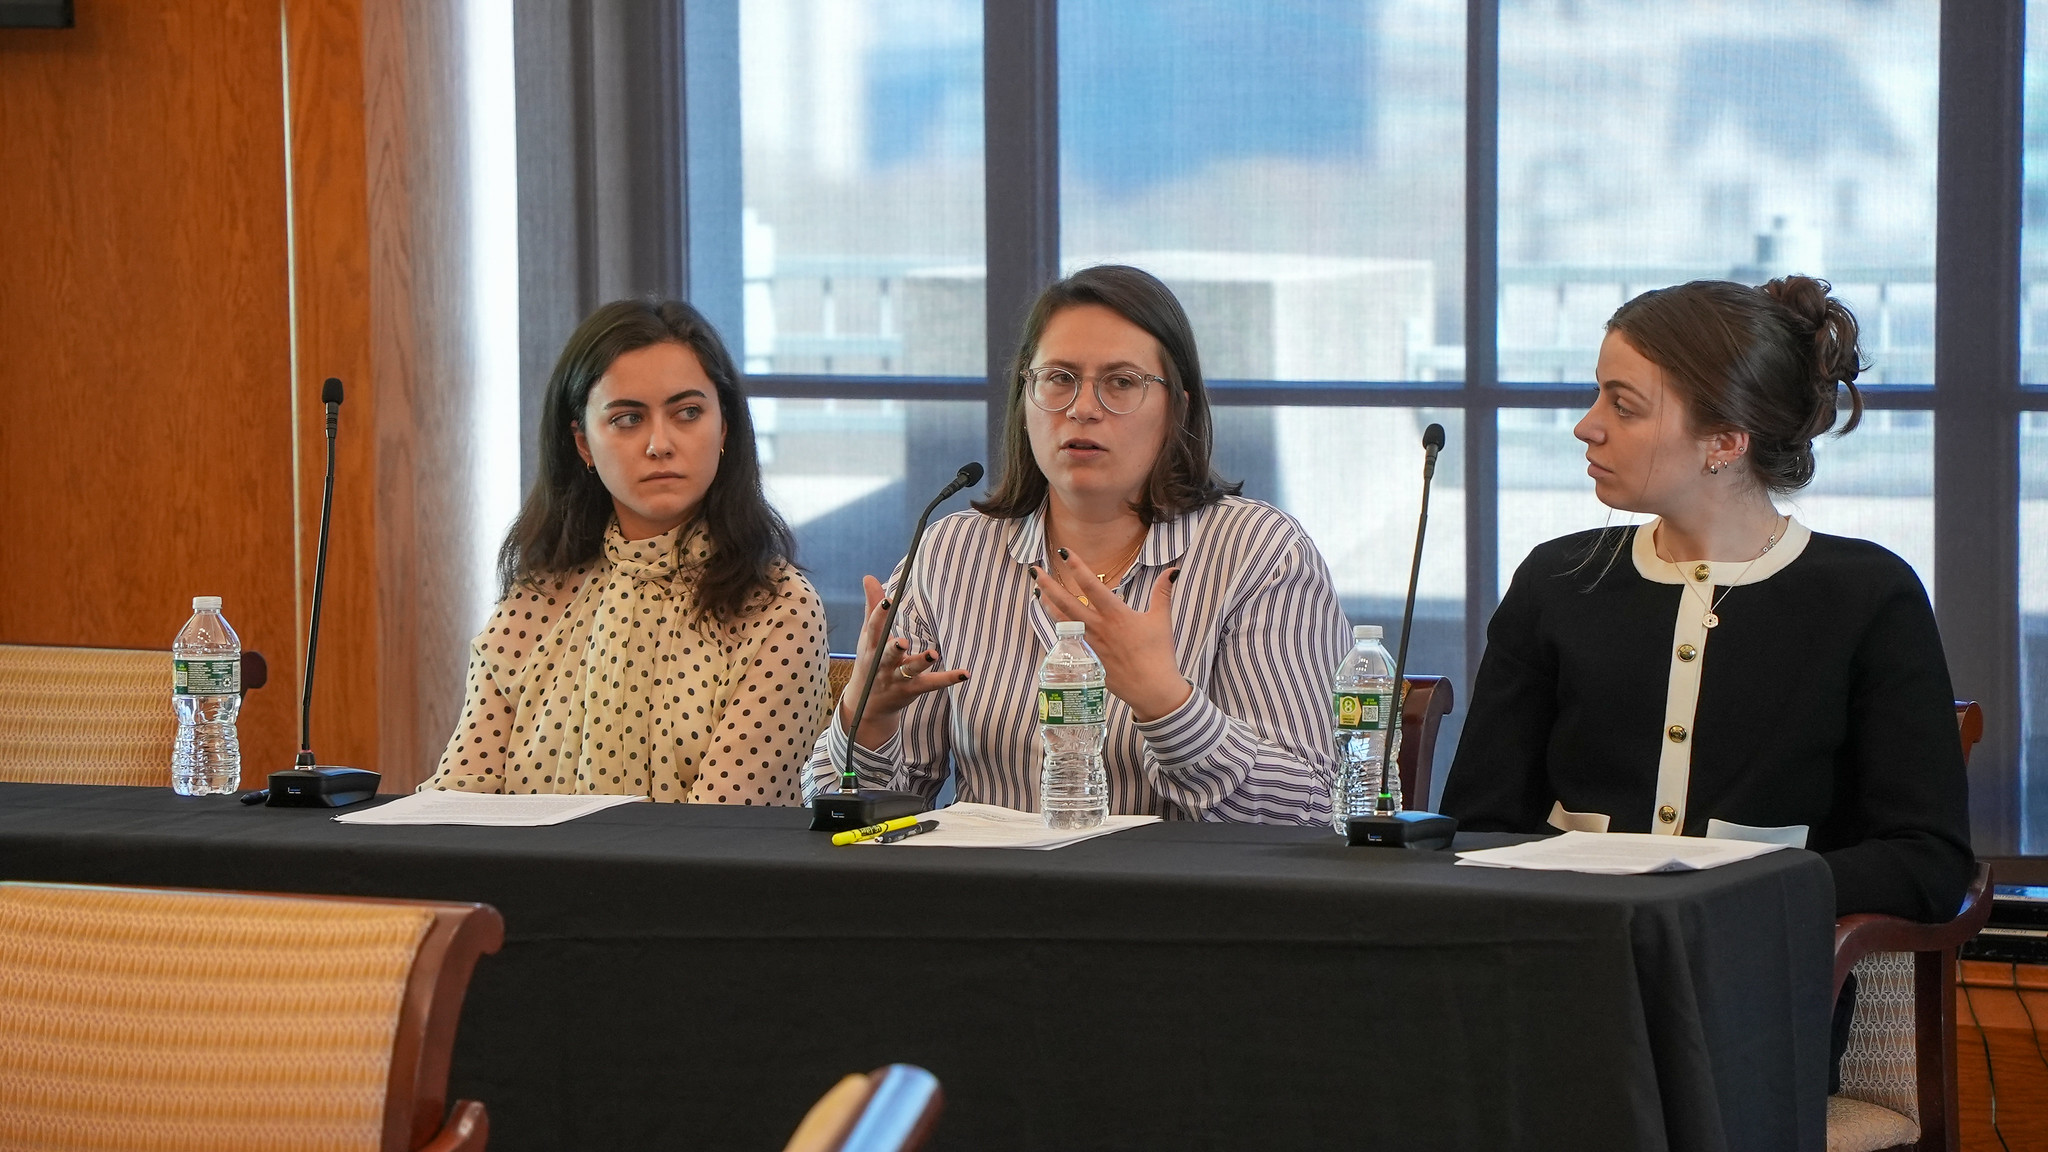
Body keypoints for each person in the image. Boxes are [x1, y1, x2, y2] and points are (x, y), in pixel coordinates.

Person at [1440, 277, 1972, 924]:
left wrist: (1737, 890)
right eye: (1596, 397)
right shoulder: (1556, 579)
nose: (1586, 427)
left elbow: (1928, 864)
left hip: (1758, 987)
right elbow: (1474, 827)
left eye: (1623, 406)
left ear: (1724, 441)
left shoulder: (1868, 595)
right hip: (1559, 967)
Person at [802, 265, 1352, 823]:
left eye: (1121, 382)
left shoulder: (1261, 554)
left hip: (1182, 904)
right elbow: (841, 813)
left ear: (1177, 408)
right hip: (993, 900)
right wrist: (865, 722)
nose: (1083, 406)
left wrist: (1169, 705)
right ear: (1026, 398)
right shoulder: (950, 555)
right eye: (1059, 378)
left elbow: (1309, 810)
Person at [424, 298, 829, 803]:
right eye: (627, 419)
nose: (660, 443)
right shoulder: (536, 600)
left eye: (687, 413)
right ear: (583, 444)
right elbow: (456, 802)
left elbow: (724, 837)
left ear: (724, 427)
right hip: (520, 881)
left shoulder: (777, 607)